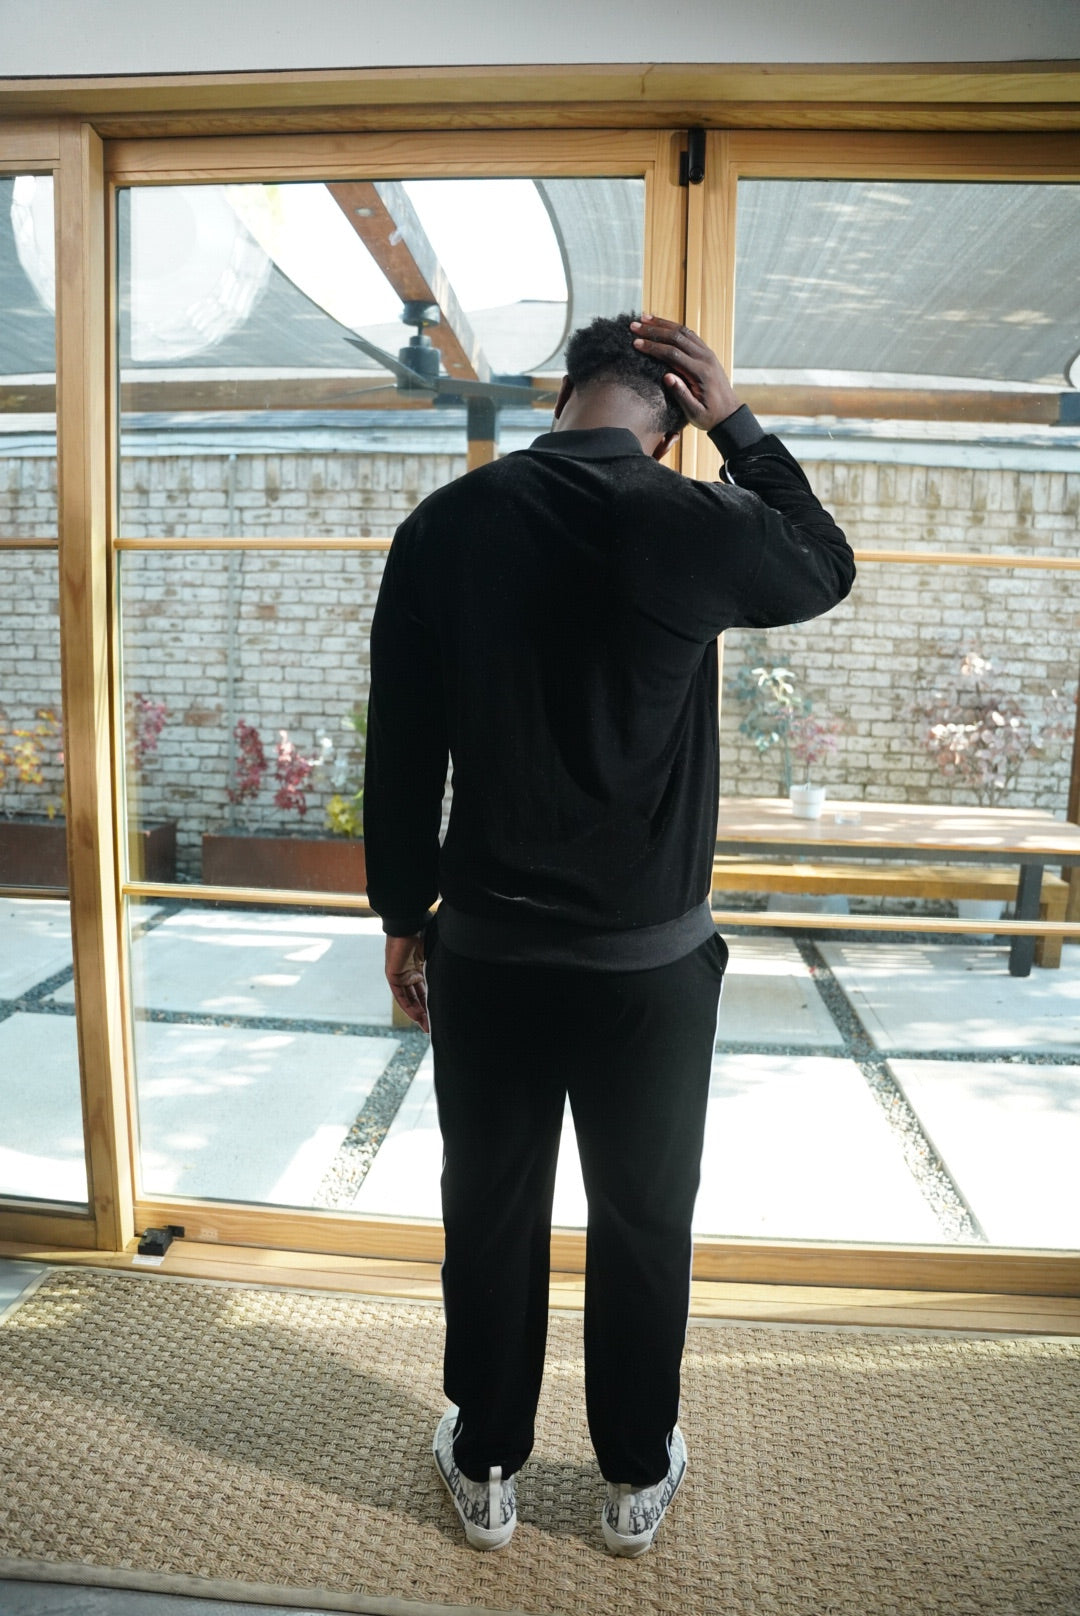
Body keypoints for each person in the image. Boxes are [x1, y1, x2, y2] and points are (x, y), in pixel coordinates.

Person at [363, 313, 854, 1556]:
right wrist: (738, 421)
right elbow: (825, 561)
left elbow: (402, 749)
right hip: (650, 967)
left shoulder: (445, 525)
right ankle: (635, 1473)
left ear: (564, 390)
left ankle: (487, 1460)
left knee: (489, 1209)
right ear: (673, 417)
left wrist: (402, 916)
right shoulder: (695, 521)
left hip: (489, 955)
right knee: (644, 1218)